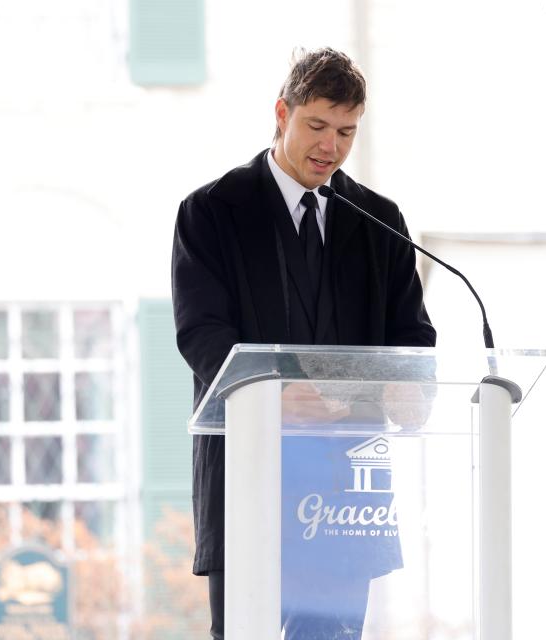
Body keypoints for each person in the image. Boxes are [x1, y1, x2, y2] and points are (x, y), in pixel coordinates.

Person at [171, 47, 436, 640]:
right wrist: (270, 397)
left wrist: (413, 388)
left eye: (346, 132)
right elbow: (201, 334)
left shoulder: (379, 220)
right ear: (281, 113)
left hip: (346, 495)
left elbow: (413, 335)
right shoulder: (213, 212)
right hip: (250, 477)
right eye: (316, 126)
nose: (331, 147)